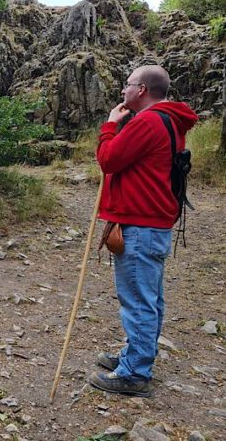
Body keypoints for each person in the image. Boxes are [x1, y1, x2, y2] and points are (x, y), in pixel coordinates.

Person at [88, 65, 197, 397]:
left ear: (142, 90)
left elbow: (109, 159)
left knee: (137, 300)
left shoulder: (149, 121)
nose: (123, 90)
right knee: (149, 298)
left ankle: (135, 373)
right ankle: (136, 355)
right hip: (153, 223)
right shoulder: (168, 120)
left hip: (142, 224)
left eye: (128, 84)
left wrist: (110, 125)